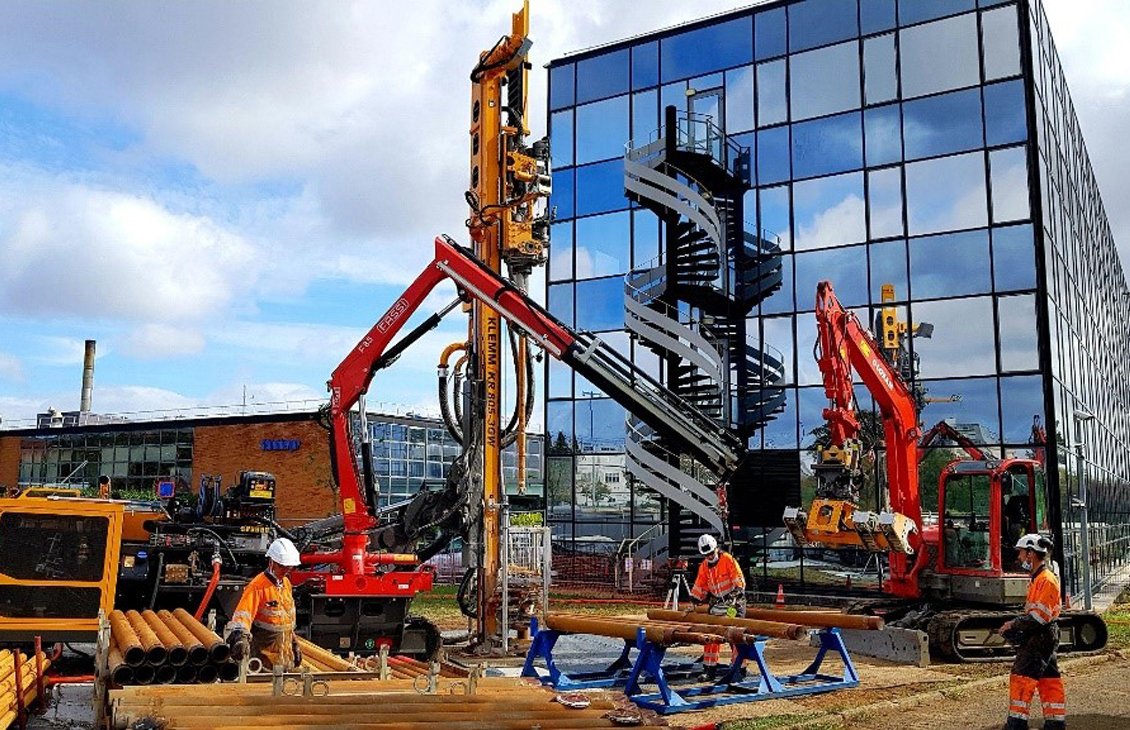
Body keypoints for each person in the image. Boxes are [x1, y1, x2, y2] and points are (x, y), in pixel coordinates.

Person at [999, 534, 1065, 730]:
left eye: (1020, 553)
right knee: (1048, 679)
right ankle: (1055, 724)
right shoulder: (1039, 579)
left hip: (1040, 635)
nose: (1019, 558)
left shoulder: (1045, 580)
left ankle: (1016, 724)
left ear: (1030, 554)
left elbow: (1039, 617)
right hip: (1044, 634)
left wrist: (1013, 625)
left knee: (1021, 677)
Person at [224, 537, 302, 671]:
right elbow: (243, 616)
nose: (285, 570)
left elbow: (284, 620)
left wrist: (294, 642)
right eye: (282, 566)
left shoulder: (286, 584)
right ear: (272, 562)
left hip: (284, 660)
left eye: (289, 567)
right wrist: (240, 637)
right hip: (263, 662)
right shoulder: (257, 586)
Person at [689, 534, 746, 681]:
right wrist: (695, 599)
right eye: (706, 555)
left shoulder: (727, 560)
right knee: (711, 636)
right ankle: (709, 669)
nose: (709, 557)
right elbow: (699, 586)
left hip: (734, 603)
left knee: (735, 636)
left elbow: (739, 582)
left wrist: (733, 595)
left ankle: (738, 668)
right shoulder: (704, 566)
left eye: (710, 553)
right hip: (717, 605)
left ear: (715, 549)